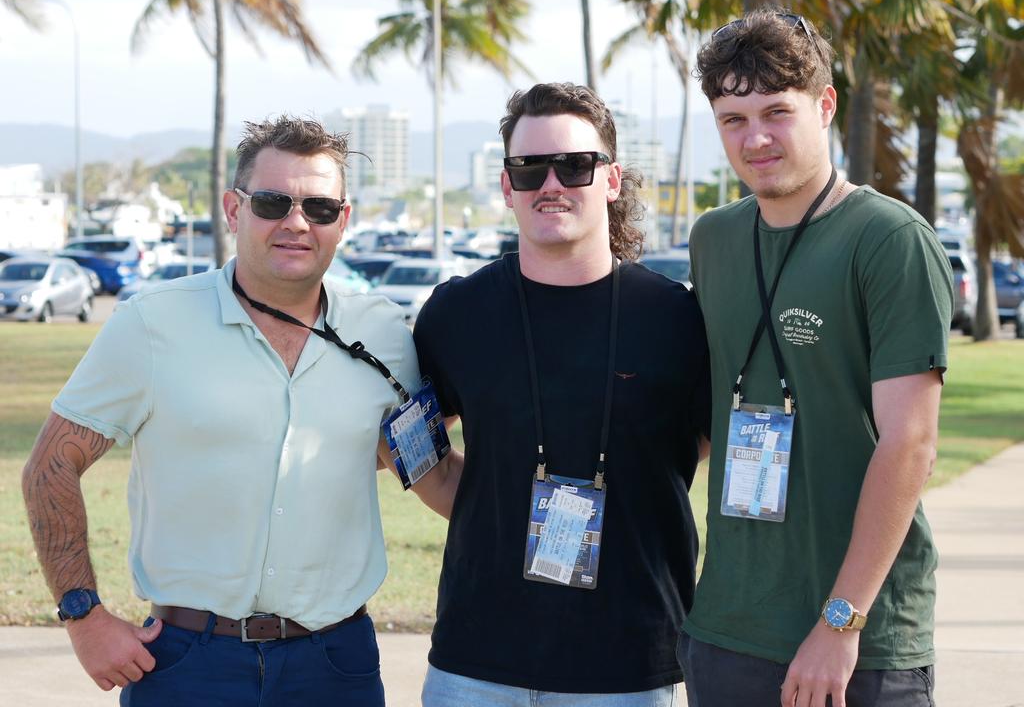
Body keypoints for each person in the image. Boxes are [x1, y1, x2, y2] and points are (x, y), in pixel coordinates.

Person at [21, 116, 420, 707]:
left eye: (319, 207)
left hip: (337, 663)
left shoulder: (385, 331)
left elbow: (395, 452)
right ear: (235, 212)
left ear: (344, 221)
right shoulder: (152, 323)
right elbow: (49, 468)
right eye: (272, 202)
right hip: (187, 663)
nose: (295, 222)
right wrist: (85, 618)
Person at [679, 6, 954, 707]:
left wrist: (841, 622)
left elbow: (911, 442)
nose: (756, 137)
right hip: (728, 631)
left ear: (826, 105)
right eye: (732, 119)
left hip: (857, 643)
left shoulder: (888, 239)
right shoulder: (713, 239)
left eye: (777, 111)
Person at [411, 82, 711, 706]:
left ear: (612, 180)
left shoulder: (678, 319)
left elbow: (699, 447)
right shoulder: (456, 313)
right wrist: (492, 513)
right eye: (529, 168)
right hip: (475, 665)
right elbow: (415, 448)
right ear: (506, 187)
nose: (552, 183)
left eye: (574, 165)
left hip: (631, 669)